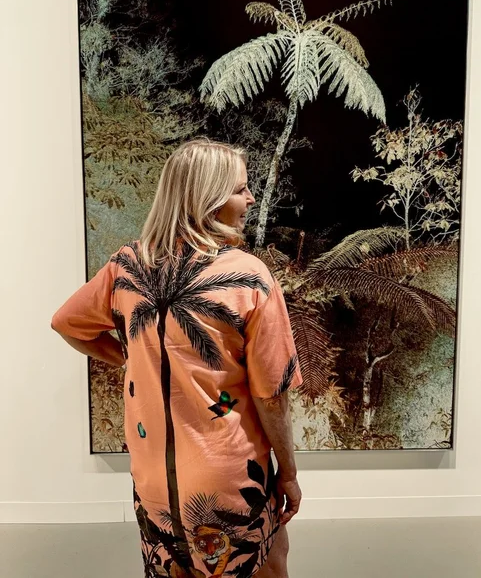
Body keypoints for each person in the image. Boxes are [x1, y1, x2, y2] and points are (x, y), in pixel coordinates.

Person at [52, 138, 302, 578]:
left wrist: (130, 356)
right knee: (267, 563)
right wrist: (289, 473)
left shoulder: (127, 266)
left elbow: (67, 323)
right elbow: (271, 395)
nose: (250, 199)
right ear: (208, 198)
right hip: (230, 478)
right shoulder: (249, 277)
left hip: (153, 481)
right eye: (240, 189)